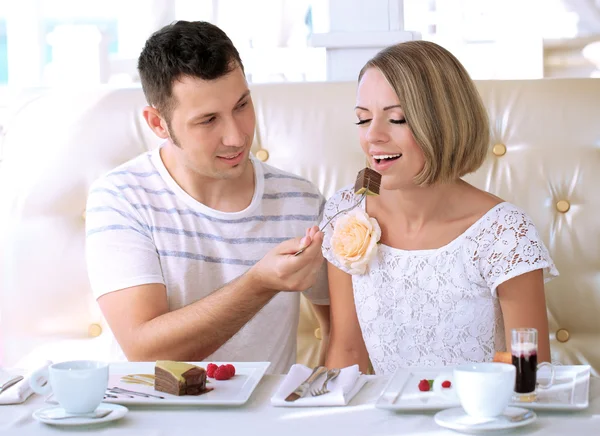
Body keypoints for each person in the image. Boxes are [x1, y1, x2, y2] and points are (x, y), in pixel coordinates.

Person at [85, 21, 329, 374]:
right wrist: (259, 283)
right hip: (149, 418)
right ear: (158, 124)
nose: (236, 136)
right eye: (208, 120)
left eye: (242, 105)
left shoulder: (300, 200)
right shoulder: (122, 198)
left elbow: (343, 330)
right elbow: (144, 348)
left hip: (266, 422)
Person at [322, 41, 558, 375]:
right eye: (363, 120)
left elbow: (530, 377)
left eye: (397, 118)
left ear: (443, 124)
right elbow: (347, 350)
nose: (373, 135)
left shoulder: (504, 233)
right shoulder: (346, 212)